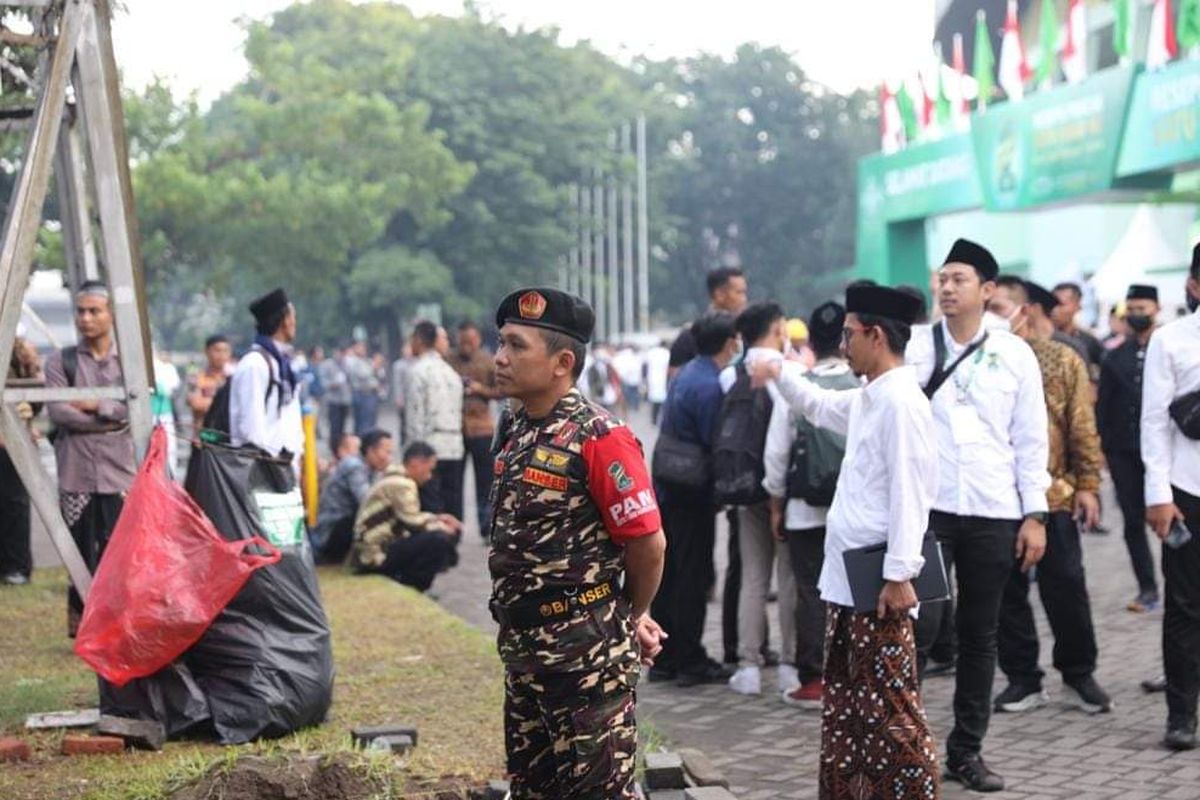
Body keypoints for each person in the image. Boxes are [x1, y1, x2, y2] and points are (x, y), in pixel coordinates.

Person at [756, 283, 939, 800]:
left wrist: (901, 573)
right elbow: (816, 406)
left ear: (876, 336)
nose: (844, 345)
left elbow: (913, 491)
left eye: (850, 335)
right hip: (851, 578)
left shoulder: (901, 402)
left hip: (880, 583)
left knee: (893, 714)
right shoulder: (871, 397)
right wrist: (781, 371)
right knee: (851, 711)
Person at [487, 287, 667, 799]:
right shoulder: (517, 426)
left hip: (584, 661)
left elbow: (648, 545)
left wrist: (631, 612)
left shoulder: (600, 438)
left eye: (516, 346)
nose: (500, 358)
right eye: (502, 342)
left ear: (562, 362)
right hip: (524, 654)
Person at [909, 240, 1051, 793]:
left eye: (959, 278)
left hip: (995, 510)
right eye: (942, 278)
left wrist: (1034, 514)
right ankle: (906, 744)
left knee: (979, 635)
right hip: (929, 512)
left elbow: (1030, 438)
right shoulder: (917, 348)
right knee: (922, 625)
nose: (946, 287)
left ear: (987, 291)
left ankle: (965, 751)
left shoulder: (1014, 353)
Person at [989, 278, 1111, 715]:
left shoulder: (1063, 359)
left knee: (1066, 588)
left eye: (999, 306)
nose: (991, 315)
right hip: (998, 497)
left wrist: (1088, 486)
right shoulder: (983, 360)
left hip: (1053, 493)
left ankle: (1079, 673)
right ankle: (1022, 678)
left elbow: (1081, 425)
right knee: (1008, 594)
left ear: (1026, 311)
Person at [763, 301, 859, 709]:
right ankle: (853, 674)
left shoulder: (798, 386)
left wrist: (776, 505)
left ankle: (815, 680)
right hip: (853, 511)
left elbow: (776, 454)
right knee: (855, 591)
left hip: (804, 509)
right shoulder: (865, 385)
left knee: (811, 591)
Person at [650, 311, 741, 686]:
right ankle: (689, 657)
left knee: (670, 573)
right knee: (694, 573)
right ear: (729, 343)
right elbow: (714, 442)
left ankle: (664, 655)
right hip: (692, 491)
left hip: (669, 486)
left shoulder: (687, 373)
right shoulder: (711, 385)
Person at [45, 281, 136, 635]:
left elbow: (135, 409)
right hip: (76, 470)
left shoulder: (128, 361)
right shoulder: (61, 361)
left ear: (111, 314)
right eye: (81, 311)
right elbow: (58, 412)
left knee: (121, 548)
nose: (86, 318)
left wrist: (97, 404)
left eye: (94, 311)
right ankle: (84, 626)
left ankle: (119, 623)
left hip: (119, 470)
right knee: (79, 549)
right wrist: (109, 416)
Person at [719, 301, 798, 697]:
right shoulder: (786, 369)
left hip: (743, 490)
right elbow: (785, 436)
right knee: (787, 580)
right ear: (777, 328)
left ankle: (748, 667)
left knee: (753, 578)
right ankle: (789, 665)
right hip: (779, 491)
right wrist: (778, 500)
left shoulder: (729, 374)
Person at [1142, 244, 1200, 751]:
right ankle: (1182, 714)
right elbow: (1155, 422)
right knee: (1184, 606)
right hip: (1188, 491)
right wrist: (1158, 495)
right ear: (1195, 286)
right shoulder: (1171, 341)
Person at [1098, 284, 1163, 612]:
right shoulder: (1115, 356)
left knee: (1174, 520)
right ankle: (1147, 587)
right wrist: (1103, 449)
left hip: (1164, 453)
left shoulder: (1169, 348)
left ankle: (1182, 583)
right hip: (1124, 451)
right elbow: (1104, 407)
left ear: (1157, 308)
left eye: (1143, 308)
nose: (1137, 314)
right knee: (1133, 521)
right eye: (1132, 309)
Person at [349, 438, 462, 591]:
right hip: (375, 556)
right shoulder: (402, 484)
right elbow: (413, 521)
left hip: (371, 551)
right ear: (416, 463)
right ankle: (412, 586)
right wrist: (441, 525)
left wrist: (437, 519)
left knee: (436, 536)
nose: (429, 476)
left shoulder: (394, 477)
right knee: (438, 540)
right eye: (428, 470)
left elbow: (409, 519)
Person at [229, 288, 304, 468]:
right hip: (264, 471)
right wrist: (266, 467)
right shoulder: (255, 364)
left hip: (284, 465)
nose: (295, 323)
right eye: (293, 317)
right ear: (285, 321)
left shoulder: (283, 363)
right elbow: (251, 430)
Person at [405, 320, 465, 519]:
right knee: (452, 504)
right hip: (454, 446)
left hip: (428, 449)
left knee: (431, 507)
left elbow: (415, 417)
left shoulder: (418, 371)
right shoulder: (451, 373)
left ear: (419, 339)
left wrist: (413, 454)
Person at [449, 321, 502, 536]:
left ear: (478, 340)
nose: (466, 346)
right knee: (454, 482)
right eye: (462, 342)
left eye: (470, 342)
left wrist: (480, 389)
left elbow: (502, 390)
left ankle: (485, 525)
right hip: (456, 428)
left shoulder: (488, 361)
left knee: (485, 482)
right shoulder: (448, 361)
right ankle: (455, 527)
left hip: (482, 428)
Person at [0, 337, 40, 585]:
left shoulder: (21, 352)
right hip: (10, 438)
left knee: (14, 504)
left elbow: (33, 400)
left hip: (13, 440)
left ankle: (15, 567)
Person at [668, 266, 748, 378]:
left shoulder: (747, 335)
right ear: (719, 295)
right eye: (739, 292)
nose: (744, 299)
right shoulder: (690, 336)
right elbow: (675, 380)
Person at [311, 432, 373, 563]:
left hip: (324, 532)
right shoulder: (352, 465)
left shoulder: (343, 467)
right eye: (357, 449)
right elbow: (366, 500)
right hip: (330, 534)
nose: (360, 453)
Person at [1051, 282, 1105, 379]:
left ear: (1078, 306)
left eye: (1061, 304)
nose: (1055, 310)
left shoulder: (1090, 342)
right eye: (1052, 304)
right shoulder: (1045, 339)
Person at [187, 334, 234, 424]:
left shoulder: (234, 377)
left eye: (225, 351)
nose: (222, 355)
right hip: (205, 434)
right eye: (217, 350)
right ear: (206, 351)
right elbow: (195, 403)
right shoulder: (197, 377)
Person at [151, 350, 182, 477]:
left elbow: (171, 388)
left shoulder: (166, 368)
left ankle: (170, 480)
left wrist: (156, 386)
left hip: (163, 415)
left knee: (169, 451)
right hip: (144, 415)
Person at [319, 345, 352, 450]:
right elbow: (323, 383)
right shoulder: (327, 365)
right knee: (334, 426)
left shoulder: (346, 364)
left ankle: (341, 448)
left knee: (343, 426)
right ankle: (334, 448)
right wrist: (334, 383)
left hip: (344, 399)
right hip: (333, 400)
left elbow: (350, 380)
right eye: (340, 353)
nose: (341, 356)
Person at [345, 339, 381, 434]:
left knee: (371, 422)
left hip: (371, 394)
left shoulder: (367, 360)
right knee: (363, 423)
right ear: (355, 348)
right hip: (362, 394)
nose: (363, 349)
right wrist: (374, 366)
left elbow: (380, 374)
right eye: (360, 347)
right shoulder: (352, 361)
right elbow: (362, 374)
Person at [391, 343, 413, 447]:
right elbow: (397, 383)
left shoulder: (416, 362)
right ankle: (403, 443)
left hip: (414, 397)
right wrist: (399, 397)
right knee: (403, 422)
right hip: (404, 397)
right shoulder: (398, 365)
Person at [644, 338, 671, 425]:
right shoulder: (667, 353)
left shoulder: (651, 352)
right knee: (664, 401)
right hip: (663, 379)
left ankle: (654, 419)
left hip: (652, 378)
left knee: (655, 402)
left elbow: (645, 366)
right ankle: (664, 420)